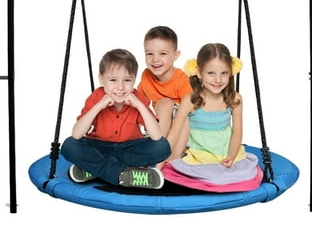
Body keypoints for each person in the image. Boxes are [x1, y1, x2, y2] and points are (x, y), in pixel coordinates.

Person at [60, 48, 170, 189]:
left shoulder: (138, 98)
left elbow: (157, 136)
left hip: (129, 149)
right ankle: (124, 175)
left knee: (162, 147)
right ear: (101, 79)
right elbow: (77, 134)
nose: (120, 87)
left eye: (127, 80)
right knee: (69, 145)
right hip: (100, 147)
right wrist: (99, 106)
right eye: (113, 80)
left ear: (134, 80)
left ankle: (95, 170)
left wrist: (139, 105)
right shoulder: (96, 98)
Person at [162, 43, 263, 190]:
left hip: (226, 151)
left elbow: (237, 133)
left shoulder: (235, 99)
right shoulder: (191, 100)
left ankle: (220, 175)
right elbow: (174, 133)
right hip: (201, 154)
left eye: (224, 73)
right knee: (211, 176)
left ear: (231, 72)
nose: (218, 80)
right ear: (199, 72)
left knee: (245, 174)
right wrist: (161, 158)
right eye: (211, 73)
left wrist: (232, 155)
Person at [138, 26, 191, 138]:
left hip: (182, 127)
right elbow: (139, 101)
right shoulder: (146, 76)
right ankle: (156, 138)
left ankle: (159, 143)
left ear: (175, 55)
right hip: (160, 124)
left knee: (165, 103)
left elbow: (191, 111)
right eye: (149, 54)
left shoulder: (183, 80)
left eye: (162, 54)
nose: (155, 59)